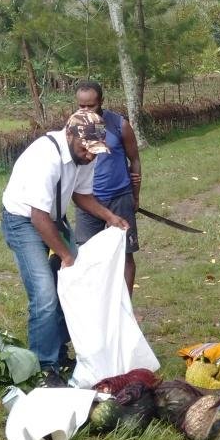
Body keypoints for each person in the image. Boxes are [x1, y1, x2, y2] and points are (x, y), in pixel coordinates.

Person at [1, 111, 129, 387]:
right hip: (23, 221)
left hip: (53, 219)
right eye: (86, 148)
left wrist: (109, 216)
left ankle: (59, 354)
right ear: (70, 135)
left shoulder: (85, 155)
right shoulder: (45, 157)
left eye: (95, 150)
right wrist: (66, 255)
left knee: (71, 287)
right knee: (45, 292)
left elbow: (81, 195)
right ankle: (44, 368)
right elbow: (38, 217)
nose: (91, 156)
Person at [74, 80, 142, 296]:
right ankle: (95, 305)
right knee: (85, 255)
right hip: (88, 201)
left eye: (90, 106)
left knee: (124, 254)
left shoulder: (120, 125)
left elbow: (135, 161)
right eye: (81, 106)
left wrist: (135, 196)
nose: (85, 110)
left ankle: (125, 307)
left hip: (119, 198)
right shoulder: (74, 128)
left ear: (101, 102)